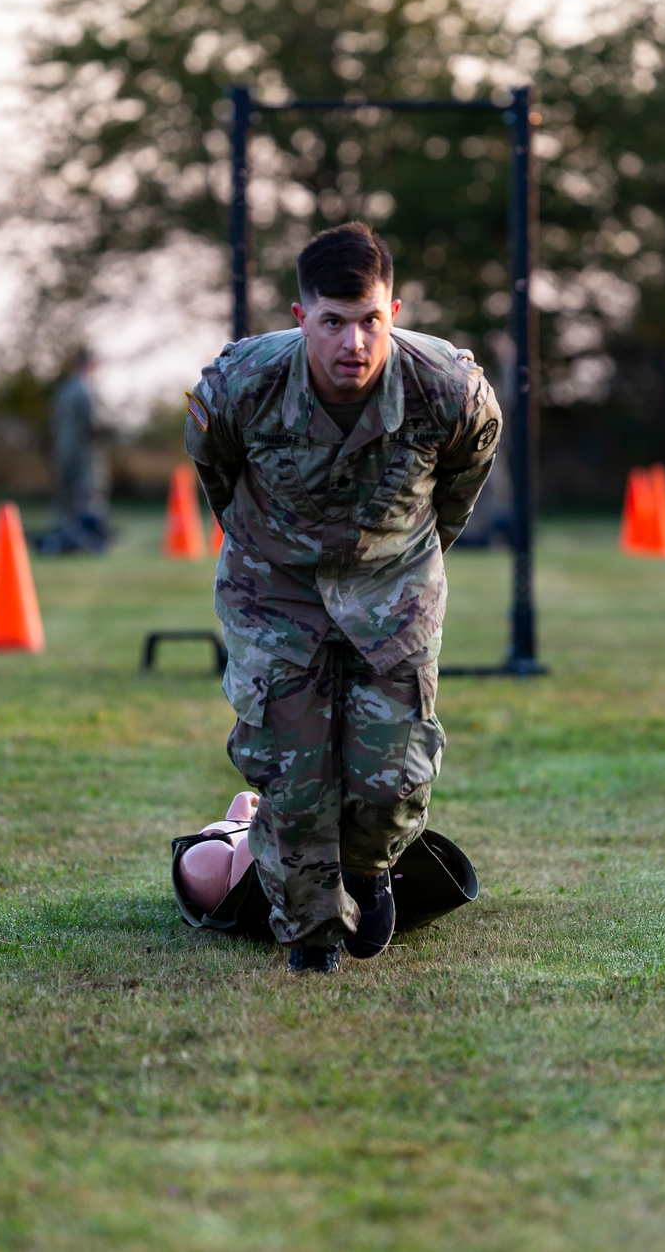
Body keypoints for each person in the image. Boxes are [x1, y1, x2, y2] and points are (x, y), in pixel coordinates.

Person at [185, 223, 501, 975]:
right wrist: (265, 550)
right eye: (333, 322)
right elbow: (216, 473)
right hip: (277, 590)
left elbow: (461, 484)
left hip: (393, 586)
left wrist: (414, 553)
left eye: (370, 321)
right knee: (293, 779)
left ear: (394, 308)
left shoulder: (447, 387)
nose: (353, 342)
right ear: (302, 320)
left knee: (392, 776)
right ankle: (309, 937)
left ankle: (368, 870)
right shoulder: (242, 385)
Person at [49, 346, 108, 552]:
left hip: (63, 449)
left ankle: (60, 538)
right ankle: (87, 541)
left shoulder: (64, 389)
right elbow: (91, 425)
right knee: (88, 496)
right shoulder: (85, 390)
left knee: (65, 498)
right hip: (83, 453)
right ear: (90, 363)